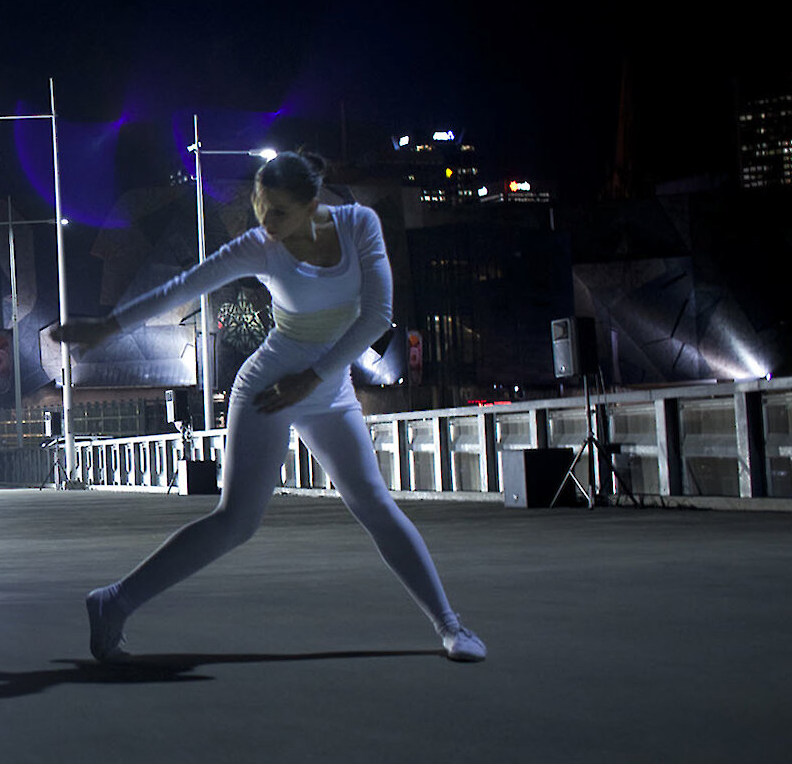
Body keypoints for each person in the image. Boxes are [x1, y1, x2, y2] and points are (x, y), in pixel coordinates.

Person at [54, 152, 485, 663]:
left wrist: (314, 379)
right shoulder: (261, 247)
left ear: (311, 204)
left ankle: (451, 627)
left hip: (326, 389)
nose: (266, 222)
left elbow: (377, 317)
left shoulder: (357, 225)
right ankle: (113, 602)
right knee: (237, 521)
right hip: (268, 388)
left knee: (374, 502)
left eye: (278, 211)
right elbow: (185, 285)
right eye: (260, 207)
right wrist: (106, 327)